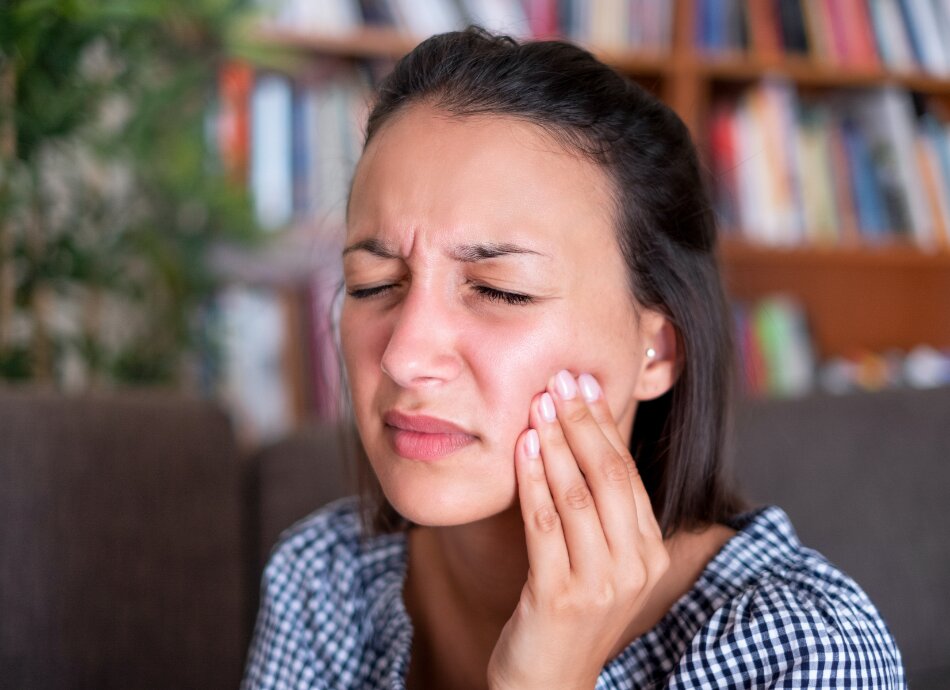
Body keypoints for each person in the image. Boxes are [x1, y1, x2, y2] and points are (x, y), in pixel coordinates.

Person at [242, 27, 904, 689]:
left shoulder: (802, 651)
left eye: (501, 290)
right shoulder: (323, 578)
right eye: (373, 285)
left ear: (658, 350)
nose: (404, 357)